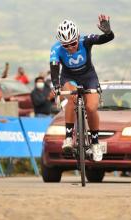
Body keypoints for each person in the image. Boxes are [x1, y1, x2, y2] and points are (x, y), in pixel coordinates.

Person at [50, 14, 114, 161]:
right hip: (68, 77)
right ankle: (68, 138)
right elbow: (54, 67)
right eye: (66, 45)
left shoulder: (86, 40)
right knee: (71, 98)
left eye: (73, 43)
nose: (70, 48)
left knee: (91, 108)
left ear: (78, 37)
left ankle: (95, 143)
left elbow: (106, 39)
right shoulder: (56, 49)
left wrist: (108, 32)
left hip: (89, 77)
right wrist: (56, 86)